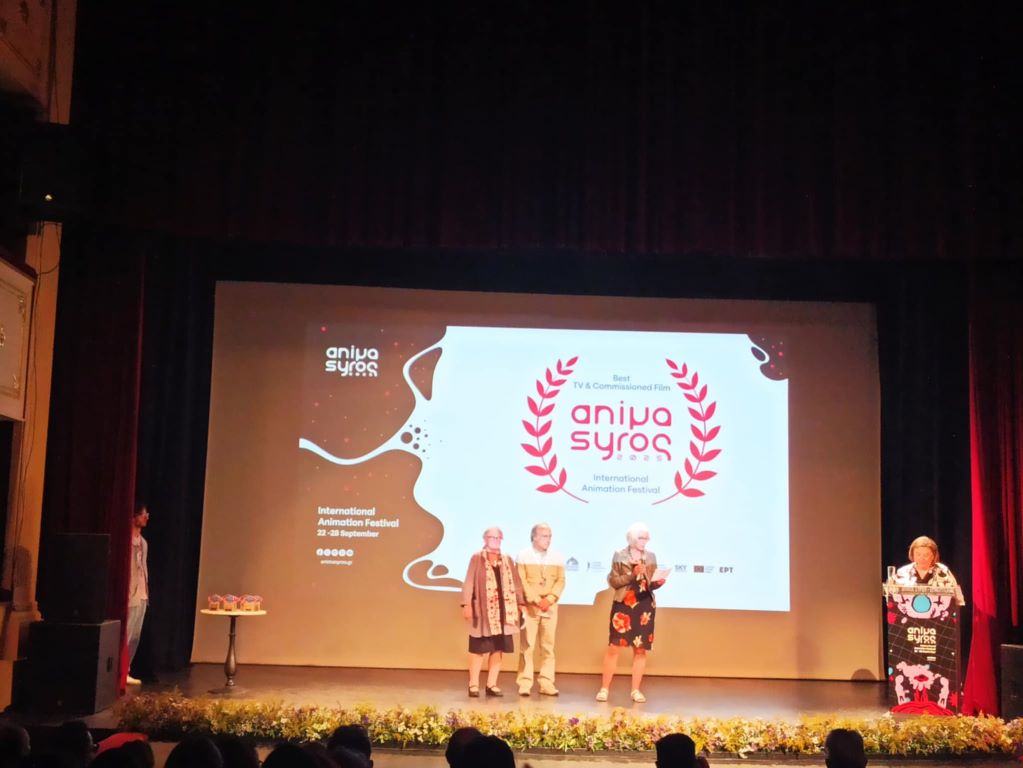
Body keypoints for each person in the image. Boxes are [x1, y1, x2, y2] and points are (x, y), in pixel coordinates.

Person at [596, 522, 665, 703]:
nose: (645, 541)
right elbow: (614, 581)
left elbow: (650, 583)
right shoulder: (620, 555)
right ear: (633, 538)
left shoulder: (651, 556)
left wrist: (657, 583)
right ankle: (604, 689)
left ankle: (635, 690)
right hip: (624, 604)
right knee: (614, 647)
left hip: (644, 606)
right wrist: (632, 575)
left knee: (640, 649)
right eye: (641, 538)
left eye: (647, 538)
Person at [461, 526, 525, 697]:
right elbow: (469, 582)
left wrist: (521, 602)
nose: (495, 540)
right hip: (484, 612)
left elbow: (516, 583)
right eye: (492, 537)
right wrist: (466, 604)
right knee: (478, 649)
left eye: (498, 537)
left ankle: (491, 684)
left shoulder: (507, 559)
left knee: (498, 648)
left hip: (503, 612)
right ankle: (473, 684)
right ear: (485, 539)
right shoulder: (477, 558)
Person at [515, 522, 566, 696]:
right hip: (530, 607)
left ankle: (546, 683)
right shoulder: (523, 555)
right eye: (544, 536)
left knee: (548, 647)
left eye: (550, 536)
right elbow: (521, 581)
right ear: (534, 537)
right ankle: (525, 683)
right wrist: (536, 600)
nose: (548, 539)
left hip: (549, 607)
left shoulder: (557, 556)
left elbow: (561, 580)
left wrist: (550, 599)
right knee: (527, 646)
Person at [894, 535, 965, 605]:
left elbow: (958, 599)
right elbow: (892, 597)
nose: (922, 558)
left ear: (933, 556)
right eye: (918, 554)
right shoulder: (903, 572)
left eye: (926, 555)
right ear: (912, 554)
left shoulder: (943, 571)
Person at [126, 503, 151, 685]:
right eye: (143, 514)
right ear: (134, 516)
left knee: (135, 634)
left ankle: (126, 669)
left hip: (141, 593)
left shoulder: (143, 542)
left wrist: (146, 590)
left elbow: (143, 566)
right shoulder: (127, 541)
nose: (146, 517)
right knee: (127, 633)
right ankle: (119, 671)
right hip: (130, 593)